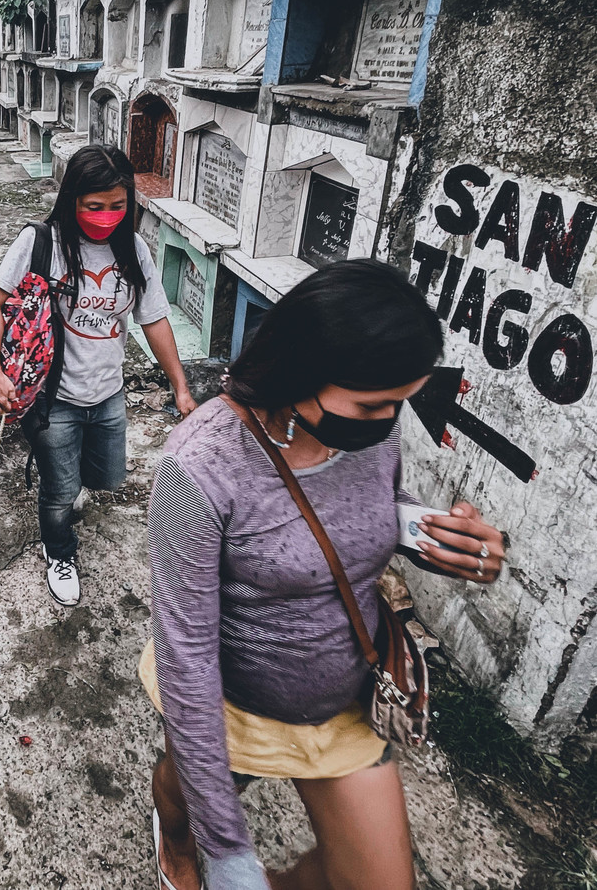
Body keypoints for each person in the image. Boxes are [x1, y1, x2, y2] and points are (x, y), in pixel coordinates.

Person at [144, 259, 507, 890]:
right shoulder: (198, 469)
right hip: (232, 703)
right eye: (374, 405)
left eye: (400, 403)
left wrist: (439, 540)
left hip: (344, 703)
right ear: (301, 369)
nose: (390, 421)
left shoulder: (372, 431)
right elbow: (189, 659)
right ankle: (173, 832)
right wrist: (226, 852)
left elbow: (367, 509)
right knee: (192, 789)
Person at [0, 144, 196, 607]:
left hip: (108, 393)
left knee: (106, 477)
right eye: (94, 206)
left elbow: (154, 319)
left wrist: (180, 386)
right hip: (53, 396)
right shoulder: (42, 243)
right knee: (59, 495)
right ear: (72, 198)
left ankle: (65, 481)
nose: (106, 216)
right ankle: (58, 551)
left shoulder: (133, 250)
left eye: (117, 205)